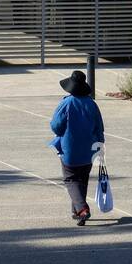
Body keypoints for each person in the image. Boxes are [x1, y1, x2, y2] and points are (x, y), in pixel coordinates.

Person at [49, 70, 105, 226]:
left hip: (70, 149)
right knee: (82, 180)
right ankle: (78, 213)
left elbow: (56, 126)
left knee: (71, 179)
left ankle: (82, 209)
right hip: (89, 149)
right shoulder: (92, 104)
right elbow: (99, 127)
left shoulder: (66, 103)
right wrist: (100, 145)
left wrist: (60, 133)